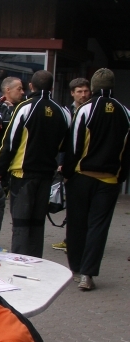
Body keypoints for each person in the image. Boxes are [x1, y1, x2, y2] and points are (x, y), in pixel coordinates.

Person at [63, 68, 130, 291]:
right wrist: (121, 175)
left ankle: (76, 268)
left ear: (93, 87)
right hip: (110, 180)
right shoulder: (125, 112)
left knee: (77, 223)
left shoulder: (86, 110)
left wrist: (68, 173)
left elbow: (75, 146)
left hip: (83, 176)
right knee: (98, 227)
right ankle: (89, 274)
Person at [0, 70, 70, 257]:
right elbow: (65, 145)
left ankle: (19, 262)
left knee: (21, 223)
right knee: (37, 223)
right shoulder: (62, 111)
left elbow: (10, 142)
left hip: (23, 174)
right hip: (46, 175)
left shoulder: (24, 108)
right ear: (52, 87)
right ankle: (36, 261)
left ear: (31, 86)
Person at [51, 78, 92, 253]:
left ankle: (80, 240)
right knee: (72, 204)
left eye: (86, 91)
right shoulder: (66, 112)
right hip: (70, 164)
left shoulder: (92, 110)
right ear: (72, 93)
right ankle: (71, 239)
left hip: (87, 165)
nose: (83, 94)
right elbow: (62, 141)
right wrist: (61, 163)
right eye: (79, 91)